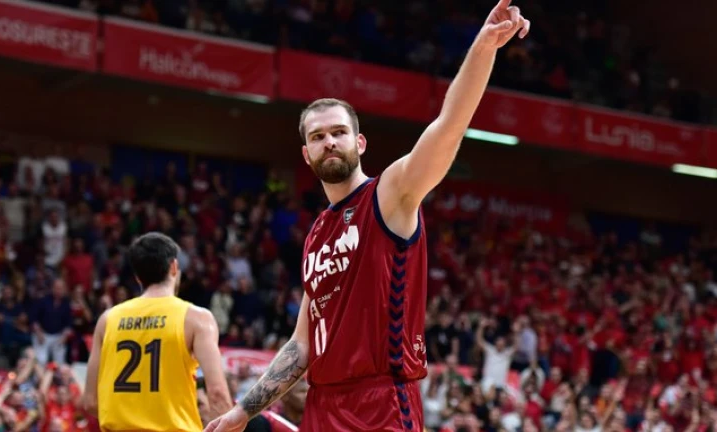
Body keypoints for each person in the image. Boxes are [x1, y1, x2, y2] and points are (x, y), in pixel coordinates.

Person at [206, 1, 530, 430]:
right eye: (318, 136)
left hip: (382, 403)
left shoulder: (390, 194)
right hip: (323, 405)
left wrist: (483, 48)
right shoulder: (316, 236)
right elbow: (301, 347)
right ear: (306, 155)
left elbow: (449, 125)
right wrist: (241, 411)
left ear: (359, 143)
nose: (329, 142)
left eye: (339, 132)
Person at [82, 232, 232, 431]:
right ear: (174, 267)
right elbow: (218, 394)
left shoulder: (107, 320)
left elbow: (90, 402)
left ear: (137, 277)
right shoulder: (196, 318)